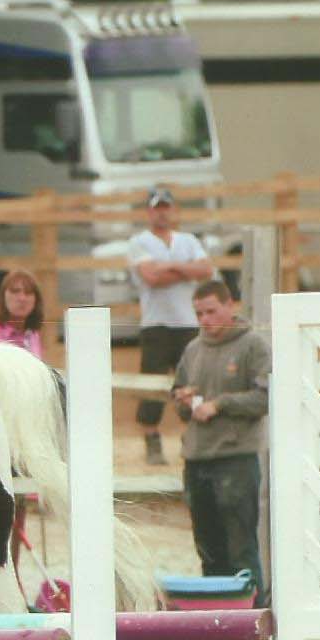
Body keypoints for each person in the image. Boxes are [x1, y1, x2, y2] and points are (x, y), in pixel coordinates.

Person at [172, 279, 270, 603]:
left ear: (231, 306)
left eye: (211, 311)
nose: (205, 320)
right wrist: (184, 400)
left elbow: (264, 398)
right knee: (208, 546)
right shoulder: (192, 350)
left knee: (241, 546)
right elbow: (179, 402)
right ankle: (216, 615)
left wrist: (221, 404)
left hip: (235, 458)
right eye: (199, 313)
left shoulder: (252, 345)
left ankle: (253, 612)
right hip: (197, 458)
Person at [127, 187, 212, 465]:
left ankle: (194, 436)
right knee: (152, 383)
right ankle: (152, 439)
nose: (162, 212)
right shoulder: (139, 242)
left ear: (173, 210)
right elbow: (151, 277)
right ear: (150, 212)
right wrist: (185, 269)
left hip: (187, 321)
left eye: (166, 207)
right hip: (157, 322)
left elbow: (206, 271)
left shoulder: (187, 240)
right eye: (157, 208)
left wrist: (169, 266)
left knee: (192, 381)